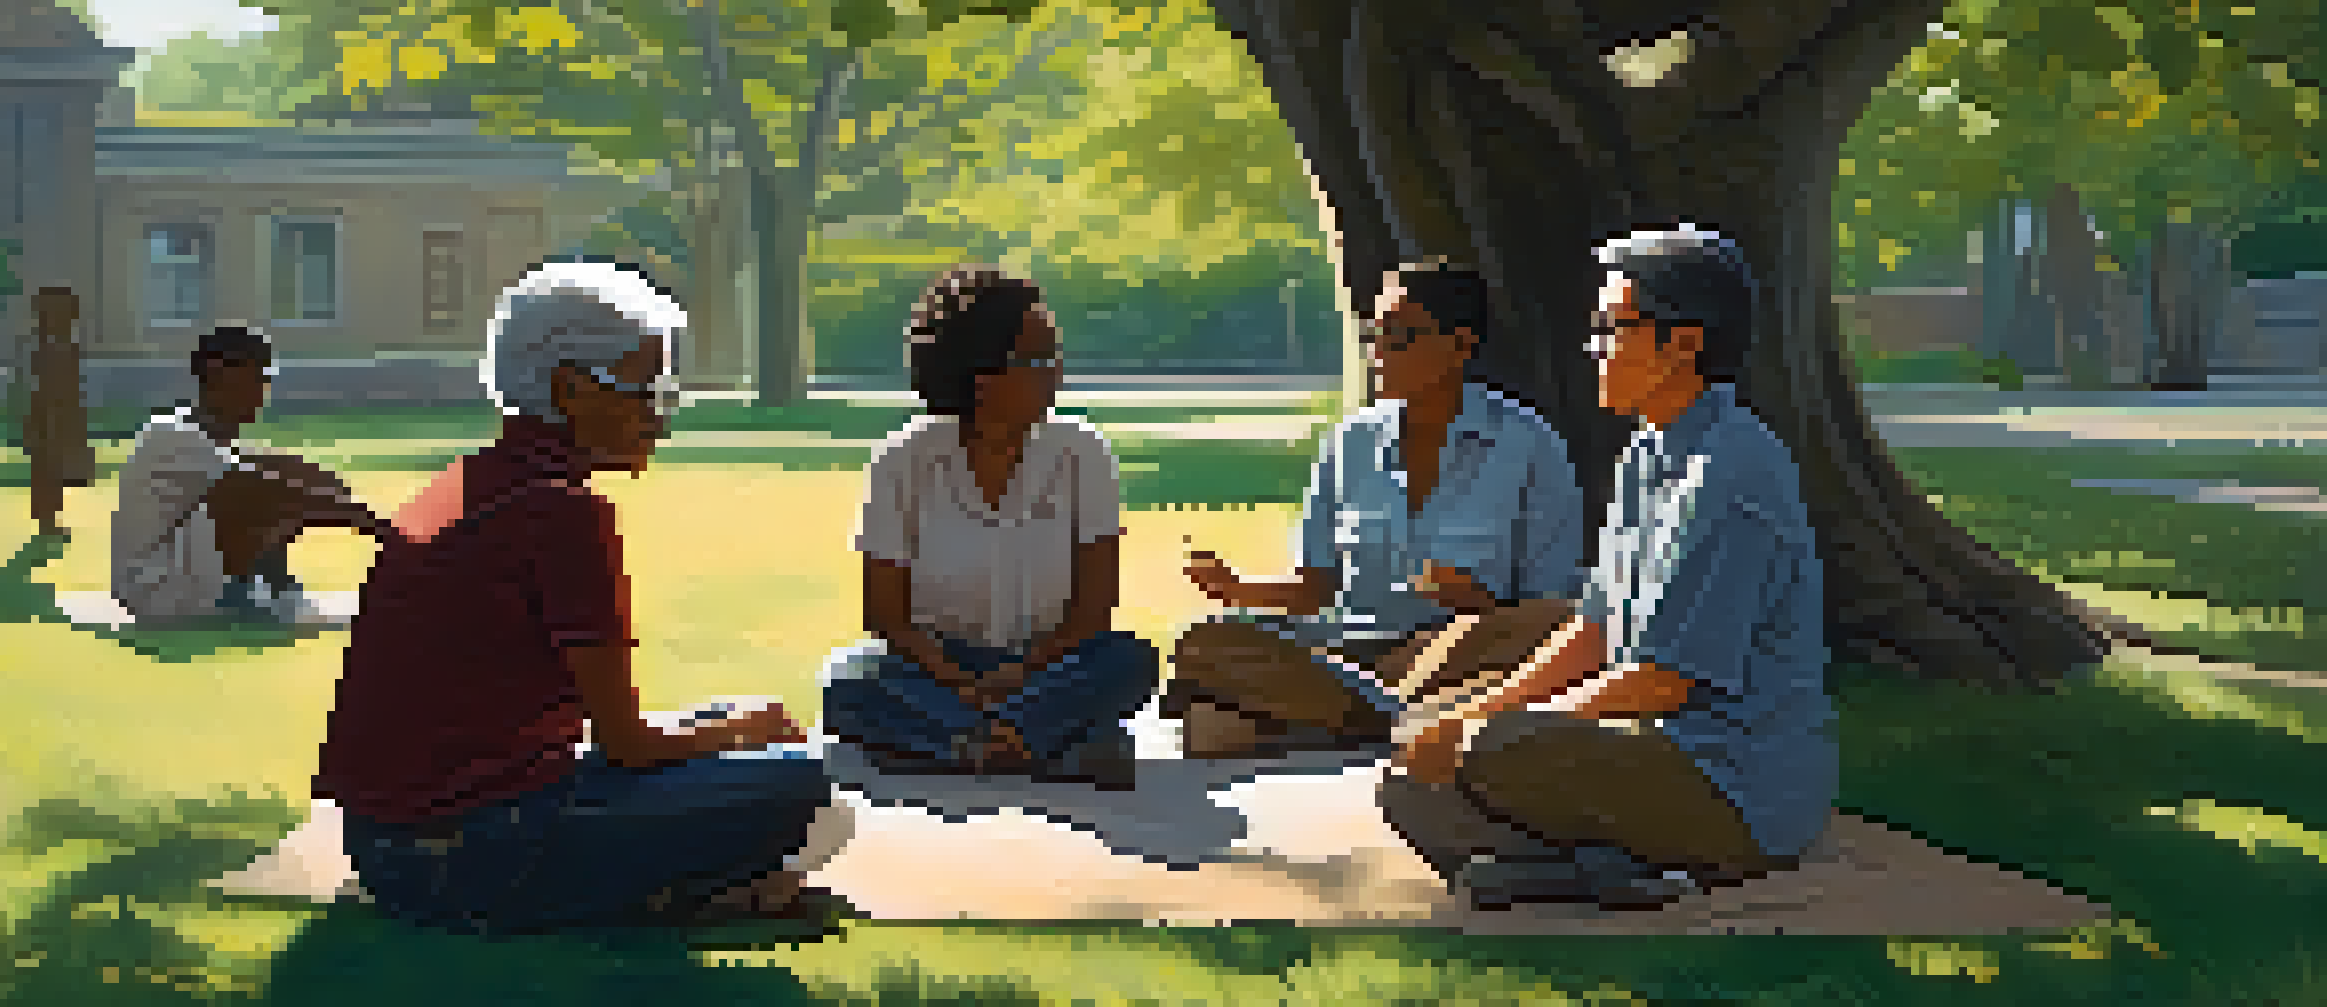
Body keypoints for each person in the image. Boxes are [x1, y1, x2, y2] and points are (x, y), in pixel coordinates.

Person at [317, 260, 844, 935]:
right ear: (569, 389)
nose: (659, 411)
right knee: (804, 781)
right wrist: (740, 730)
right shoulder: (562, 514)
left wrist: (725, 724)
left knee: (733, 731)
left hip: (383, 845)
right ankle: (674, 895)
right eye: (641, 387)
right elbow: (625, 744)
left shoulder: (463, 483)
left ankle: (684, 885)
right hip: (472, 855)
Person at [1379, 226, 1835, 912]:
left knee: (1487, 748)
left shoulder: (1730, 473)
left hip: (1734, 783)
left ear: (1682, 342)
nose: (1591, 347)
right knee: (1412, 768)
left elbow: (1663, 682)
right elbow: (1593, 632)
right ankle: (1599, 869)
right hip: (1637, 745)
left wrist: (1490, 732)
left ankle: (1594, 861)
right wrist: (1471, 714)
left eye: (1610, 327)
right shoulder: (1645, 456)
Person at [1161, 259, 1585, 760]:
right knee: (1206, 639)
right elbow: (1315, 590)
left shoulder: (1529, 443)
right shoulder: (1350, 443)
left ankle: (1319, 718)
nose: (1378, 352)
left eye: (1400, 336)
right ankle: (1400, 718)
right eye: (1373, 334)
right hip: (1348, 654)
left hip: (1462, 649)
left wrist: (1476, 600)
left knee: (1553, 624)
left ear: (1460, 346)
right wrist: (1237, 589)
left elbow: (1551, 608)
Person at [821, 265, 1157, 790]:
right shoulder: (901, 462)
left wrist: (1022, 672)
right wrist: (959, 679)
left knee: (1129, 660)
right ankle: (1044, 744)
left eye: (1056, 354)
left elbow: (1094, 609)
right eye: (1038, 359)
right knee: (850, 679)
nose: (1057, 371)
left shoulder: (1084, 455)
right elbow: (885, 616)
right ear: (981, 375)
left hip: (1051, 661)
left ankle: (960, 745)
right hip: (938, 666)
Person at [110, 325, 393, 627]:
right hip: (157, 591)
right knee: (259, 491)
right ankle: (265, 594)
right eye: (256, 377)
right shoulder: (173, 436)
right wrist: (380, 530)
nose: (263, 390)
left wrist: (338, 494)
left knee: (273, 483)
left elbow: (297, 475)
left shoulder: (206, 438)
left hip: (184, 579)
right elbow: (266, 490)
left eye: (265, 378)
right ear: (218, 375)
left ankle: (272, 590)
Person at [23, 287, 95, 539]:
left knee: (51, 469)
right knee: (49, 469)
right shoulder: (55, 347)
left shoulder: (50, 345)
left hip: (51, 417)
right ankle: (48, 521)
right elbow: (57, 387)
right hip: (51, 418)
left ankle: (49, 519)